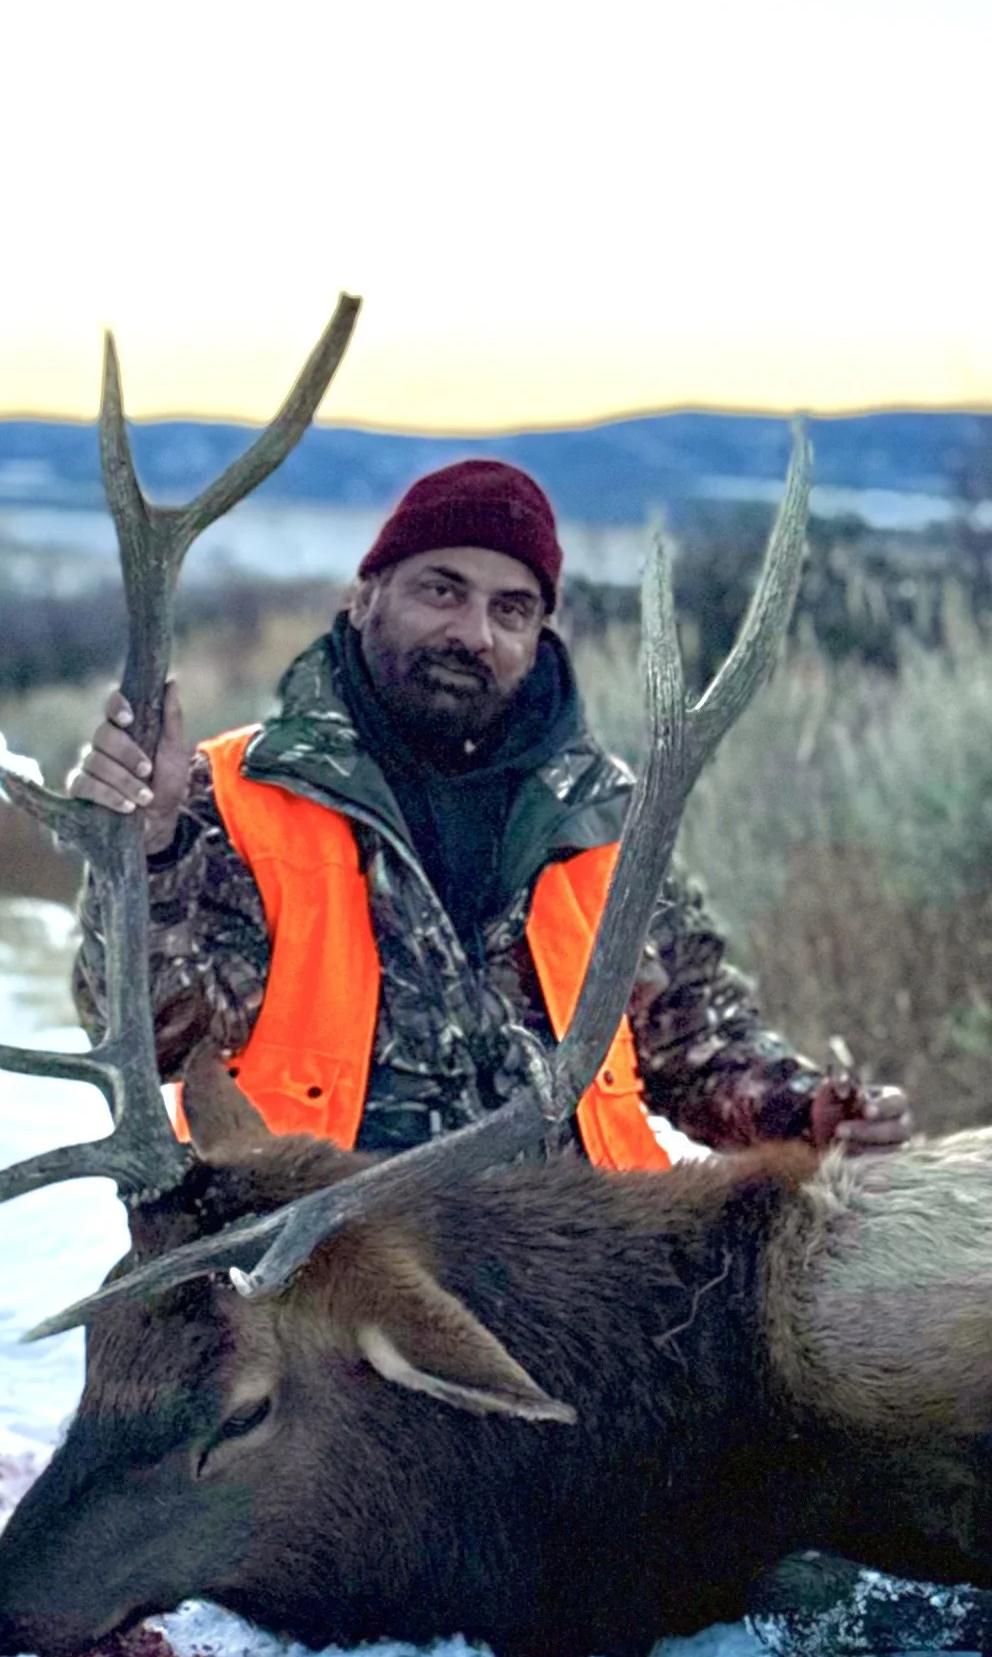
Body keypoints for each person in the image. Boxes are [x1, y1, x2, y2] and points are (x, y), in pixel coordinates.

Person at [70, 459, 911, 1164]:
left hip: (580, 1268)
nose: (473, 632)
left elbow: (696, 1043)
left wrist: (808, 1113)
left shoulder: (602, 818)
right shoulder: (236, 795)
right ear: (367, 597)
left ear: (540, 632)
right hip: (324, 1261)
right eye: (442, 590)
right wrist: (149, 850)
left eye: (510, 609)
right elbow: (157, 1039)